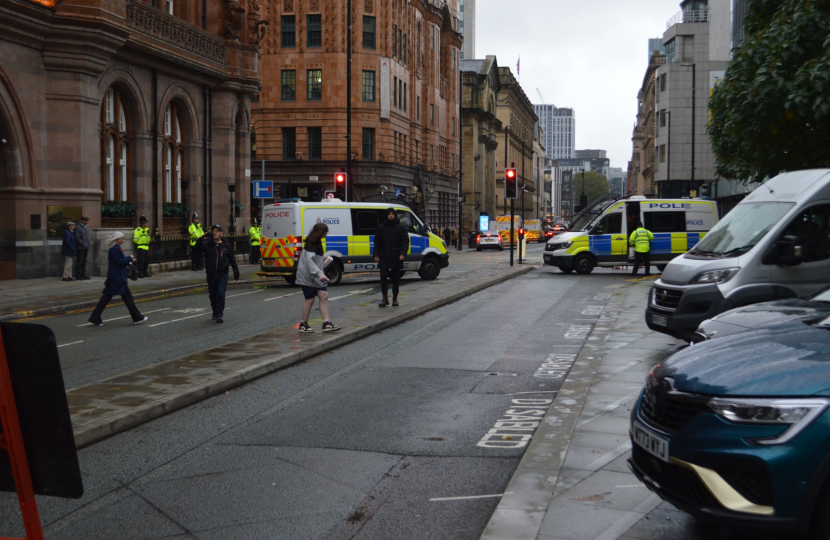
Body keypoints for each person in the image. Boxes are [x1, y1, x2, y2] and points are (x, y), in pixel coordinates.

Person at [88, 232, 148, 326]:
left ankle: (95, 317)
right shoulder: (114, 249)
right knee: (126, 298)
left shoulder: (116, 248)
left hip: (116, 277)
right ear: (116, 239)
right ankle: (137, 317)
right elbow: (119, 262)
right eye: (121, 238)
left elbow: (120, 262)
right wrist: (129, 258)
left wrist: (130, 260)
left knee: (108, 297)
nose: (123, 240)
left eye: (124, 238)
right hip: (117, 278)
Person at [296, 223, 341, 333]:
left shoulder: (315, 242)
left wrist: (323, 259)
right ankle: (303, 324)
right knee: (310, 299)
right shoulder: (311, 245)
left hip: (316, 276)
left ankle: (326, 323)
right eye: (326, 231)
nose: (326, 234)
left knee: (324, 296)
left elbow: (313, 258)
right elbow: (309, 261)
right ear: (321, 232)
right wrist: (319, 273)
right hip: (308, 277)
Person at [196, 224, 240, 323]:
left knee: (220, 293)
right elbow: (196, 249)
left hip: (222, 274)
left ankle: (220, 314)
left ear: (221, 233)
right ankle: (215, 311)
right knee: (212, 295)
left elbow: (232, 260)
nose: (215, 232)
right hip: (211, 274)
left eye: (217, 231)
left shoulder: (226, 246)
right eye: (213, 231)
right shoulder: (207, 244)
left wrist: (235, 270)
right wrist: (201, 238)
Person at [374, 207, 409, 307]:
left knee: (395, 278)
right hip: (384, 256)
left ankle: (395, 298)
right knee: (383, 276)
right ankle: (385, 298)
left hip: (396, 256)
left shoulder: (401, 227)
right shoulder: (381, 228)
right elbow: (377, 243)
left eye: (392, 214)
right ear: (387, 215)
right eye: (389, 214)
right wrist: (376, 254)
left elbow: (405, 242)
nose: (391, 215)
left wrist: (403, 253)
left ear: (395, 215)